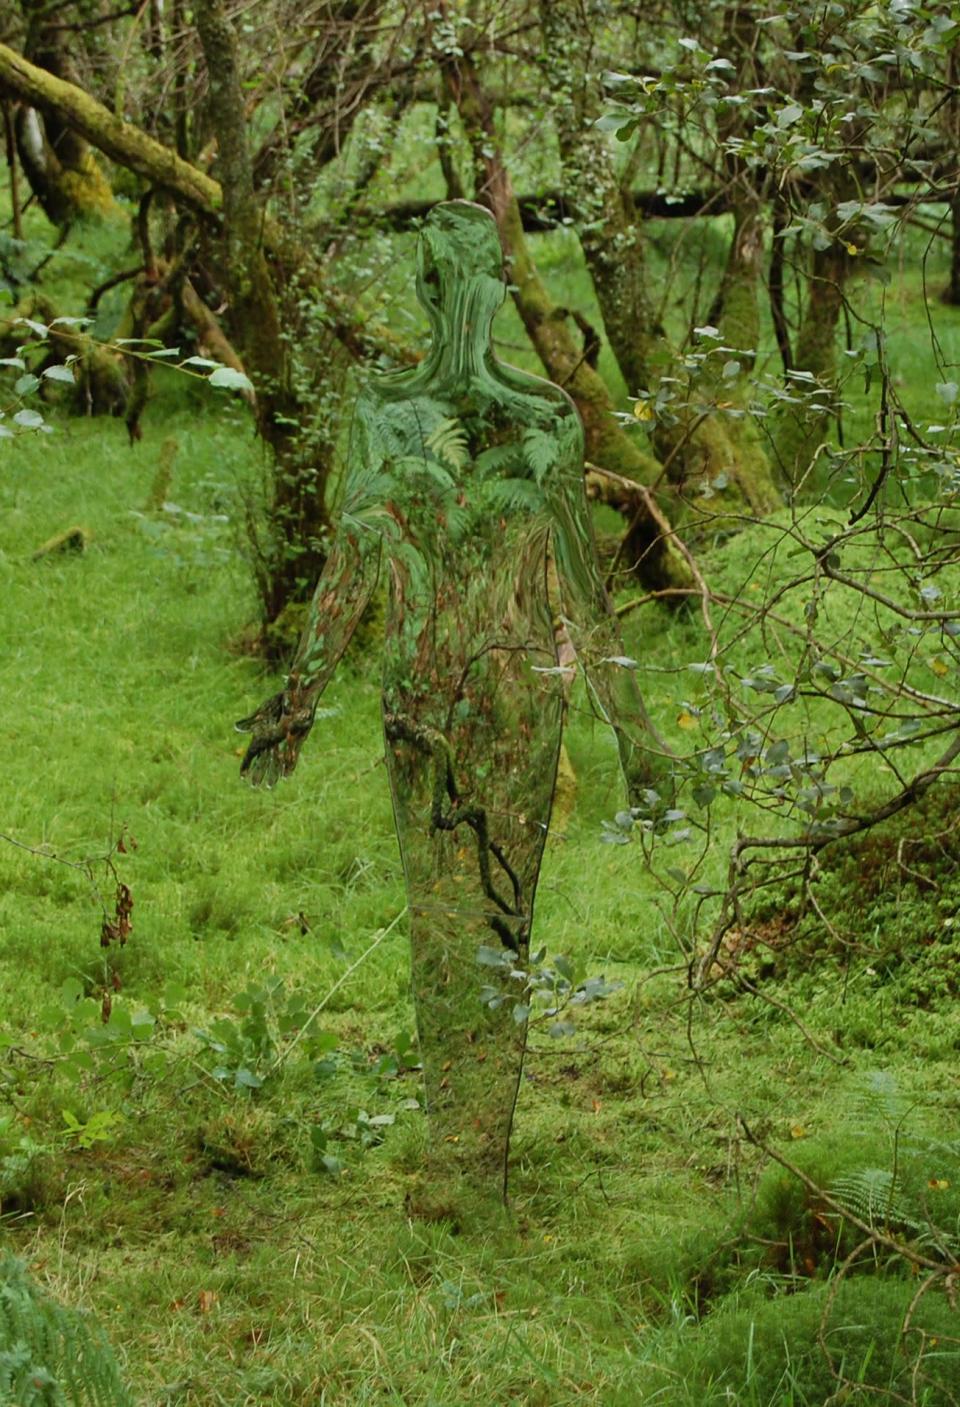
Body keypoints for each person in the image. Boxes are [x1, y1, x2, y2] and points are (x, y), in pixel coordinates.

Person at [237, 200, 659, 1201]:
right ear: (430, 291)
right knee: (443, 919)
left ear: (494, 290)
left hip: (514, 699)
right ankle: (457, 1154)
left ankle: (482, 1156)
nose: (464, 299)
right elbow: (351, 563)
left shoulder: (545, 415)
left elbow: (581, 589)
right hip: (425, 701)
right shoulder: (385, 411)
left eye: (475, 282)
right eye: (449, 281)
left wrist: (636, 735)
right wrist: (294, 707)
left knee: (504, 910)